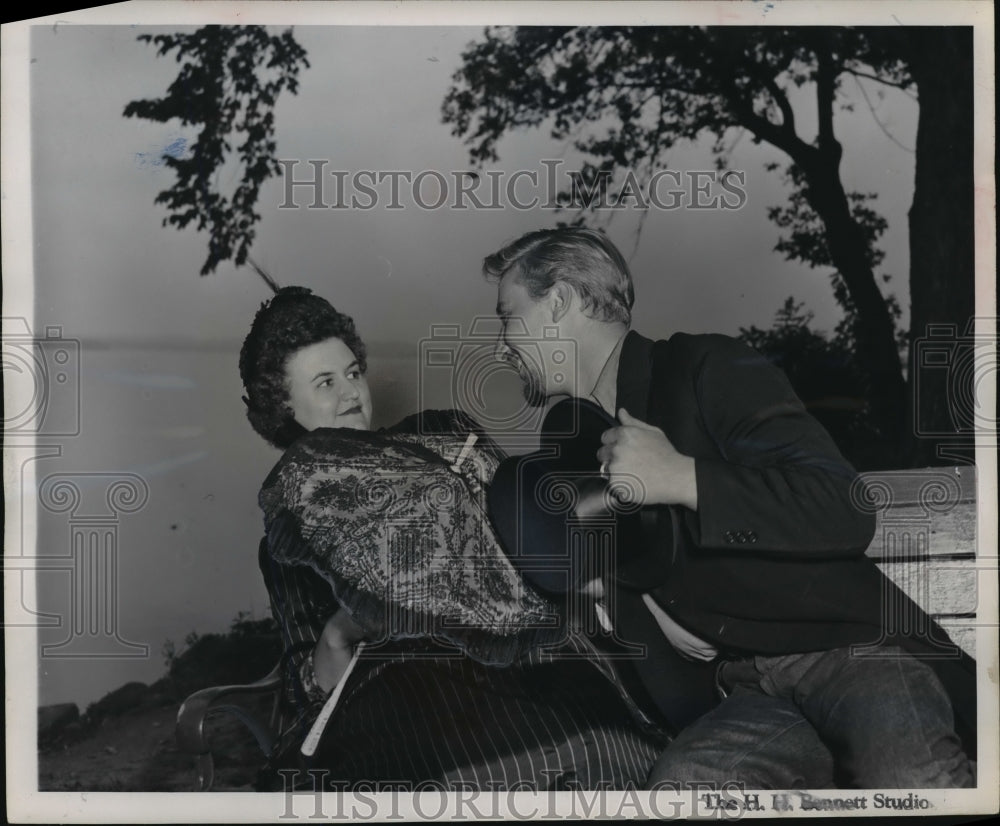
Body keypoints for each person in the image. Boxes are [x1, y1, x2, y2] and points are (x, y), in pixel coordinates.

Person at [480, 226, 976, 789]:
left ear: (561, 301)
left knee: (908, 774)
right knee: (682, 787)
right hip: (750, 691)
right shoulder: (577, 453)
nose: (502, 343)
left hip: (853, 655)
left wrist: (683, 477)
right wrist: (618, 595)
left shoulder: (703, 365)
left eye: (507, 315)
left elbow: (844, 507)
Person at [237, 285, 662, 790]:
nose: (352, 392)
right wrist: (347, 626)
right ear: (284, 408)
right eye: (325, 383)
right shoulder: (291, 532)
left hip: (532, 655)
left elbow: (539, 533)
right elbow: (309, 687)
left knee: (610, 750)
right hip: (412, 693)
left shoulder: (442, 433)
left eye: (353, 373)